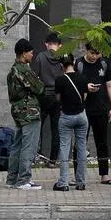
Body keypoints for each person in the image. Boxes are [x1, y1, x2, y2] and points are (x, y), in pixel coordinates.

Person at [77, 43, 111, 186]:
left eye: (98, 54)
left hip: (101, 108)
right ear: (86, 50)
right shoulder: (79, 64)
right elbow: (75, 83)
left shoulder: (104, 64)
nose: (95, 56)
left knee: (102, 142)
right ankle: (78, 175)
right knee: (80, 142)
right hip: (84, 109)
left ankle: (104, 174)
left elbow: (110, 85)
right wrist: (85, 87)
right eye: (92, 53)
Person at [7, 38, 44, 191]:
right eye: (30, 52)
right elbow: (39, 88)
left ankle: (12, 178)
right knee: (29, 145)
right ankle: (24, 179)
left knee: (17, 145)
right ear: (23, 54)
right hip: (30, 111)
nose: (32, 54)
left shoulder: (12, 70)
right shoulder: (25, 70)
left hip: (17, 111)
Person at [53, 54, 88, 192]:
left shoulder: (60, 80)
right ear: (74, 62)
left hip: (66, 116)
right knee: (81, 148)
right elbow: (84, 97)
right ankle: (81, 182)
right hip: (81, 116)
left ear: (61, 65)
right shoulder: (82, 77)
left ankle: (63, 182)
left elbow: (58, 98)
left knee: (64, 148)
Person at [32, 31, 64, 165]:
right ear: (60, 45)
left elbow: (35, 77)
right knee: (56, 129)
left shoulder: (40, 57)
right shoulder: (63, 58)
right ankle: (53, 160)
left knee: (37, 127)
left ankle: (34, 156)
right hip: (58, 96)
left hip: (43, 95)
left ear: (46, 44)